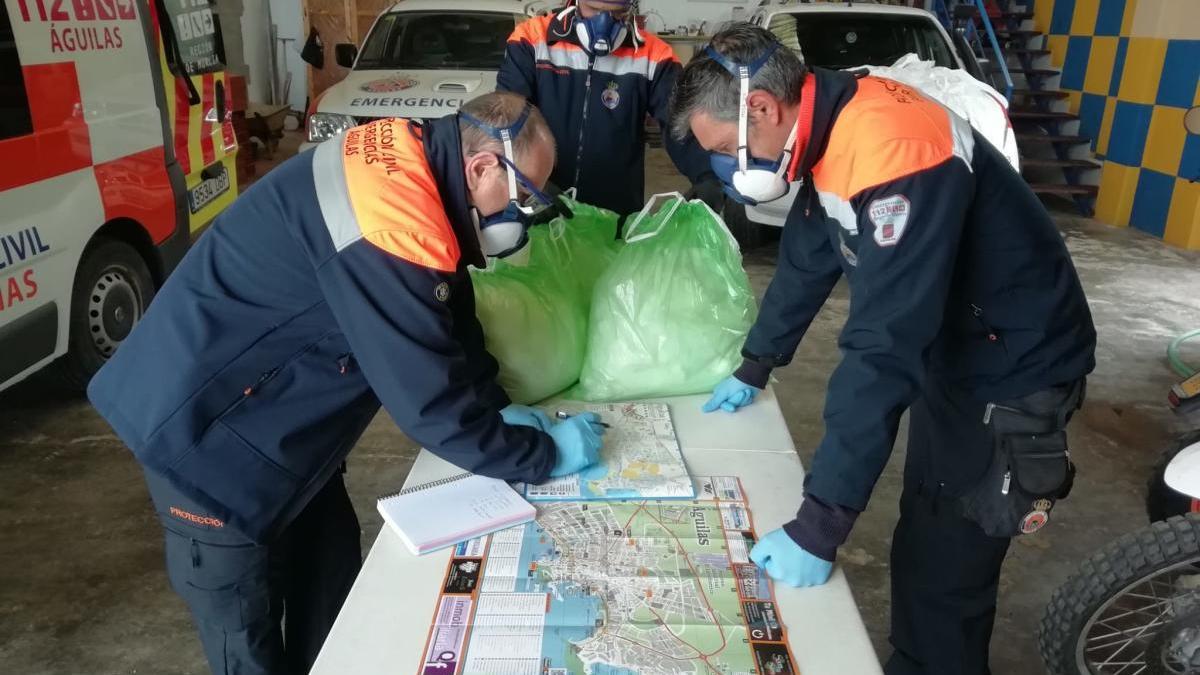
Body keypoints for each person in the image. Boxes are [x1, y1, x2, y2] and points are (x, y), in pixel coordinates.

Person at [87, 92, 607, 675]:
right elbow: (427, 403)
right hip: (204, 437)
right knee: (247, 635)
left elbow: (447, 312)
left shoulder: (419, 164)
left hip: (282, 421)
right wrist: (539, 454)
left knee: (332, 581)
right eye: (527, 198)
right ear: (482, 168)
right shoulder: (389, 215)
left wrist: (495, 408)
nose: (527, 215)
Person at [671, 25, 1096, 675]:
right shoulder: (835, 122)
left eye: (729, 150)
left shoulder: (896, 150)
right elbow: (809, 256)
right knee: (927, 517)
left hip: (1014, 366)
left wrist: (822, 522)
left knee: (952, 552)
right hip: (960, 347)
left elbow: (882, 349)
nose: (731, 171)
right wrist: (758, 361)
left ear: (762, 107)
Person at [497, 0, 723, 218]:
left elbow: (680, 122)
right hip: (542, 201)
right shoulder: (531, 40)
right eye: (594, 10)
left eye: (616, 14)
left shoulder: (654, 56)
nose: (604, 22)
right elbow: (508, 119)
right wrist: (530, 184)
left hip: (616, 210)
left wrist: (707, 175)